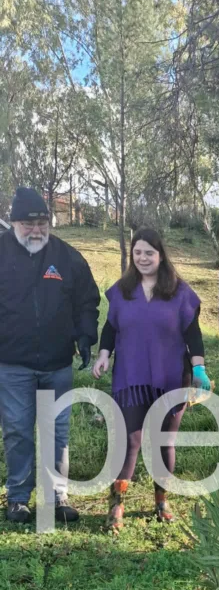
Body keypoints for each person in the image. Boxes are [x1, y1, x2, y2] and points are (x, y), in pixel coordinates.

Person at [91, 227, 211, 530]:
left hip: (172, 377)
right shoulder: (123, 290)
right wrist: (104, 354)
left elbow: (193, 335)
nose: (143, 258)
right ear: (133, 255)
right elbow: (110, 327)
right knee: (129, 441)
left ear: (161, 256)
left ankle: (161, 501)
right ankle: (116, 507)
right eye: (138, 252)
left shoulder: (179, 292)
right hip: (131, 376)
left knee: (164, 441)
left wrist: (199, 369)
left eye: (149, 252)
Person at [0, 186, 99, 524]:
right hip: (12, 364)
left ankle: (59, 497)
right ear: (13, 223)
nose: (36, 229)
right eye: (28, 224)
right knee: (18, 431)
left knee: (57, 432)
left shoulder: (67, 257)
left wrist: (86, 336)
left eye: (42, 222)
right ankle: (17, 499)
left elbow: (87, 300)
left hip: (57, 364)